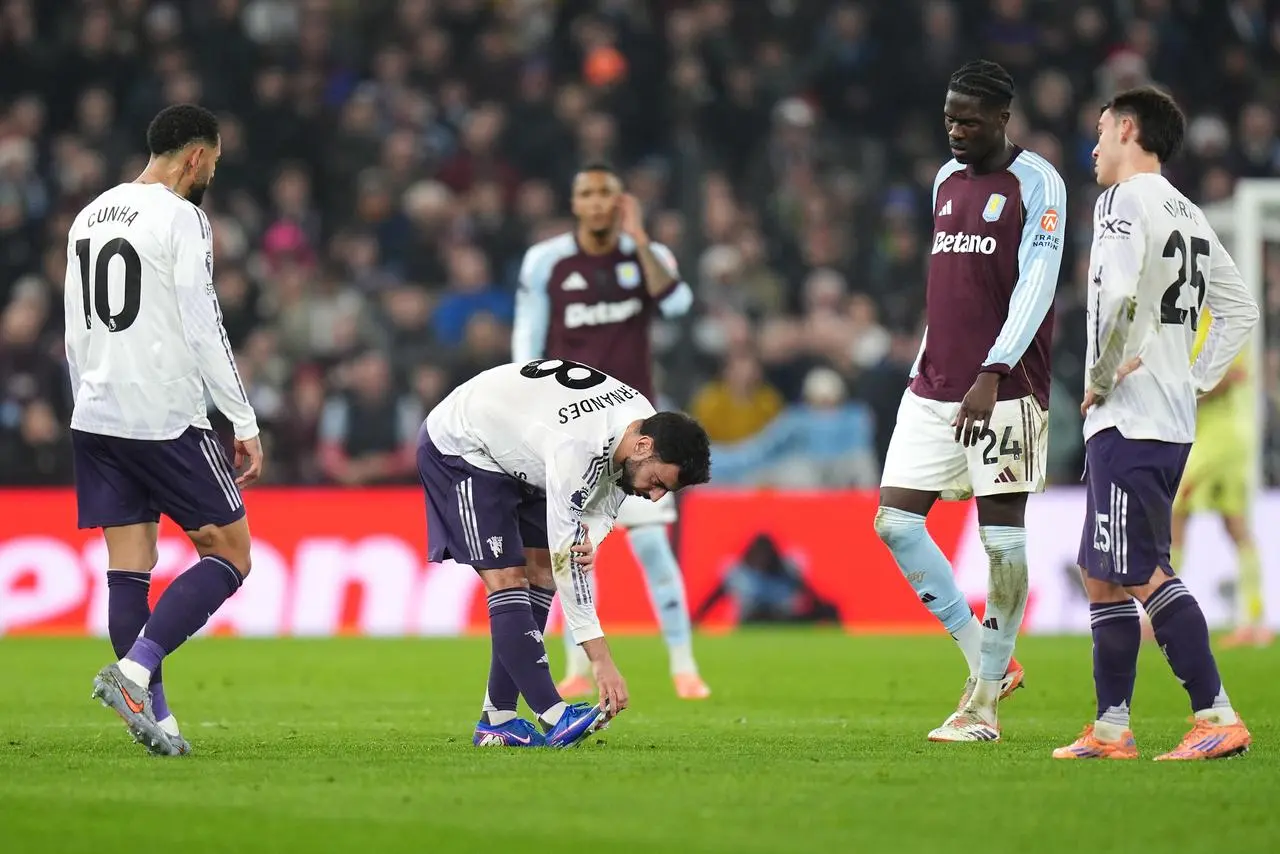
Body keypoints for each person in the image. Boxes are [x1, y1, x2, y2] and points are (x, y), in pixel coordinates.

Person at [1054, 86, 1258, 760]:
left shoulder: (1122, 200)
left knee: (1139, 566)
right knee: (1102, 571)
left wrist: (1101, 377)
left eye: (1102, 127)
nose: (1095, 143)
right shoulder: (1189, 212)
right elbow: (1239, 310)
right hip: (1165, 417)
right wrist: (1195, 378)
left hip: (1129, 416)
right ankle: (1112, 726)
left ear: (1129, 129)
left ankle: (1216, 714)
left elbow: (1114, 298)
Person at [872, 60, 1067, 742]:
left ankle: (982, 704)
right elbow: (950, 287)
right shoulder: (945, 181)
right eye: (950, 116)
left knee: (1001, 539)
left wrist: (994, 369)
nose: (956, 129)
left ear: (1002, 119)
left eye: (969, 119)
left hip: (1004, 388)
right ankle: (990, 660)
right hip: (934, 384)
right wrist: (930, 358)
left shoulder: (1037, 183)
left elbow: (1036, 284)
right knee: (895, 524)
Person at [66, 104, 263, 756]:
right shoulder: (183, 217)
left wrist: (87, 403)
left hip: (94, 414)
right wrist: (242, 419)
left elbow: (75, 331)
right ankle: (132, 671)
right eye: (216, 162)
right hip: (161, 416)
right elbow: (204, 324)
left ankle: (161, 721)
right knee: (231, 554)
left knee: (130, 568)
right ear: (197, 158)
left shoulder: (89, 214)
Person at [417, 359, 711, 748]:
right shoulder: (580, 446)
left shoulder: (640, 422)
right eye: (657, 483)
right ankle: (553, 716)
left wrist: (595, 532)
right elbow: (566, 562)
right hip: (465, 447)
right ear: (644, 446)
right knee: (508, 578)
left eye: (664, 491)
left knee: (540, 577)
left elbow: (608, 495)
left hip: (521, 451)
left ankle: (498, 718)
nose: (655, 496)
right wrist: (601, 660)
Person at [511, 162, 712, 700]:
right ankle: (575, 668)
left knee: (652, 548)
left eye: (607, 193)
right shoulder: (546, 260)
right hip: (569, 429)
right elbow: (526, 340)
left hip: (635, 432)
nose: (597, 202)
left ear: (621, 201)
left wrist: (641, 238)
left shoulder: (647, 257)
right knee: (568, 545)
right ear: (574, 202)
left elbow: (679, 305)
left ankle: (683, 665)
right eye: (587, 193)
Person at [1170, 311, 1269, 648]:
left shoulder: (1225, 319)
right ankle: (1254, 620)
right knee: (1234, 524)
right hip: (1215, 437)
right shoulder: (1194, 321)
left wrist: (1185, 394)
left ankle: (1159, 614)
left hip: (1221, 439)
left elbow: (1229, 376)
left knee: (1176, 512)